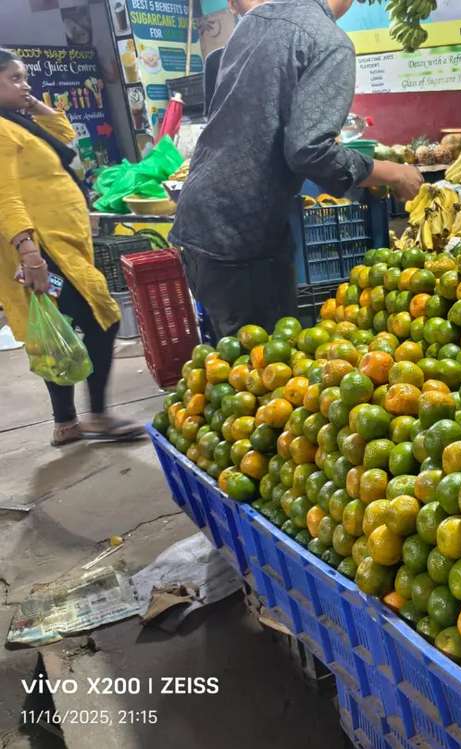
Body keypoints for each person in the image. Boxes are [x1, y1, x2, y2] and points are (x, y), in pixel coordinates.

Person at [170, 0, 423, 337]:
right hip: (242, 237)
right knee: (262, 367)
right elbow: (309, 151)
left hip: (199, 217)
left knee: (233, 365)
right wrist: (390, 171)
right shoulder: (328, 40)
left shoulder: (253, 21)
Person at [0, 48, 142, 446]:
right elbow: (5, 196)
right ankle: (96, 416)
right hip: (45, 253)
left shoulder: (16, 123)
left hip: (58, 247)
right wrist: (30, 254)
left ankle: (66, 424)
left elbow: (64, 141)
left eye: (25, 77)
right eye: (15, 78)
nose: (25, 84)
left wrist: (39, 107)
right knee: (104, 317)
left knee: (54, 331)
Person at [202, 0, 269, 111]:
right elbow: (214, 118)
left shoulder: (299, 49)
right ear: (233, 4)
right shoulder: (216, 62)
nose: (265, 3)